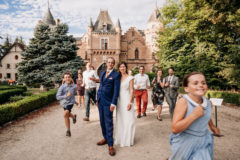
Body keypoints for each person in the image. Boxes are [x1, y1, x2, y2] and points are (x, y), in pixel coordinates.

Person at [169, 72, 220, 160]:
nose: (201, 85)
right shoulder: (183, 102)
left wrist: (212, 126)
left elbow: (205, 115)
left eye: (203, 83)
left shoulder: (207, 102)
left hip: (203, 141)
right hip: (185, 142)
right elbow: (175, 129)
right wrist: (193, 116)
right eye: (195, 83)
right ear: (186, 88)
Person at [96, 57, 120, 156]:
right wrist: (97, 99)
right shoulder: (102, 73)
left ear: (113, 64)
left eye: (112, 63)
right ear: (106, 63)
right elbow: (100, 86)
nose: (110, 64)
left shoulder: (116, 75)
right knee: (102, 121)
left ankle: (110, 145)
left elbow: (116, 90)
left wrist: (113, 103)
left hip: (108, 102)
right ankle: (105, 138)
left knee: (108, 122)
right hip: (100, 100)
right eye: (109, 62)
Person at [115, 62, 136, 147]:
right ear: (119, 68)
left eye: (123, 67)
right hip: (119, 101)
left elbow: (131, 90)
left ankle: (128, 140)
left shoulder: (130, 78)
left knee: (129, 119)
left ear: (126, 68)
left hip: (127, 99)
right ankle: (120, 138)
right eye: (121, 67)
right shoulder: (117, 77)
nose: (122, 68)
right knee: (121, 120)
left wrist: (130, 102)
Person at [56, 72, 77, 137]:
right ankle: (73, 117)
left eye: (68, 77)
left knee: (65, 114)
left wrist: (75, 102)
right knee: (67, 113)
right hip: (64, 103)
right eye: (66, 77)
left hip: (70, 103)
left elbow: (74, 94)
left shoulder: (74, 86)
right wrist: (66, 95)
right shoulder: (61, 87)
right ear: (63, 79)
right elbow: (57, 97)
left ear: (71, 78)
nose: (67, 78)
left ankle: (68, 131)